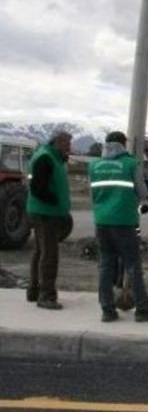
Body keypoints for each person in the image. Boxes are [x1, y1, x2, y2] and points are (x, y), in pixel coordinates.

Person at [89, 131, 148, 323]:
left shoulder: (94, 166)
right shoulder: (130, 163)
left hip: (102, 221)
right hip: (124, 222)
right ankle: (142, 308)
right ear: (123, 144)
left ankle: (107, 309)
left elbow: (93, 194)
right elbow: (143, 191)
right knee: (132, 265)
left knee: (105, 266)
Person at [25, 131, 73, 310]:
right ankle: (46, 295)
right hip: (46, 214)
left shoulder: (53, 158)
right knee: (49, 254)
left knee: (40, 251)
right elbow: (37, 187)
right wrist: (55, 202)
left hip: (45, 212)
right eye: (66, 144)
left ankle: (34, 290)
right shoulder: (45, 158)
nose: (69, 148)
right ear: (56, 142)